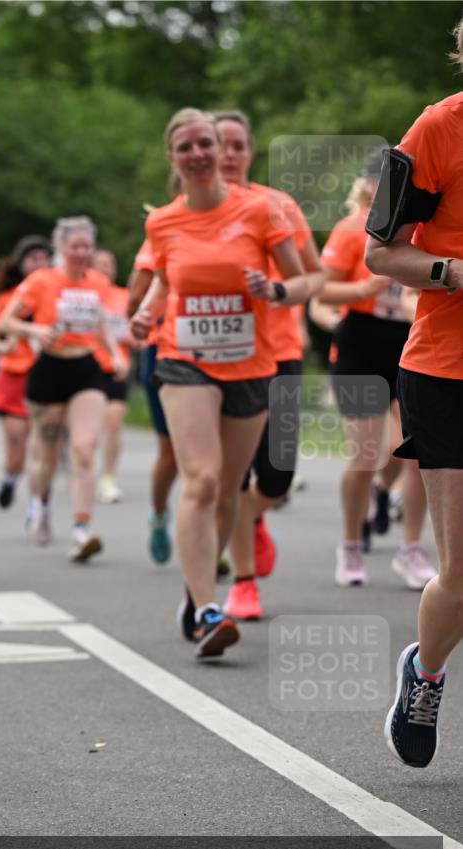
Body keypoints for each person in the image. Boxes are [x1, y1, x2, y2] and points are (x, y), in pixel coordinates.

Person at [131, 108, 310, 659]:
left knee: (230, 490)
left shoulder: (260, 210)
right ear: (173, 159)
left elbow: (306, 279)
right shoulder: (161, 222)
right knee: (203, 481)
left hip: (253, 364)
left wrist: (275, 292)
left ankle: (196, 587)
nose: (200, 154)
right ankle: (212, 610)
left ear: (224, 149)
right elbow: (162, 280)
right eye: (186, 147)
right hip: (184, 359)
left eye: (206, 143)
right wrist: (144, 314)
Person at [365, 19, 463, 768]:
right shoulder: (436, 129)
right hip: (445, 369)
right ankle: (424, 673)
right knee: (461, 575)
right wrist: (454, 274)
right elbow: (380, 252)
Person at [213, 109, 325, 620]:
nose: (229, 153)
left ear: (250, 151)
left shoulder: (278, 205)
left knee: (277, 475)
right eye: (219, 144)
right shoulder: (188, 213)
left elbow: (316, 276)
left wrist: (279, 292)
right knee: (231, 476)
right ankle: (243, 583)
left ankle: (251, 518)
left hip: (277, 353)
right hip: (217, 361)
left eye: (238, 144)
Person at [318, 149, 436, 590]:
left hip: (409, 340)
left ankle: (410, 549)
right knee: (368, 453)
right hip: (360, 343)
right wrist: (363, 287)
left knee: (420, 451)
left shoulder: (423, 227)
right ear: (368, 185)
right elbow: (321, 291)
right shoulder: (352, 230)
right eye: (380, 182)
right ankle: (350, 543)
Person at [0, 216, 128, 562]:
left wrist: (116, 355)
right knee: (46, 458)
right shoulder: (42, 281)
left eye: (87, 246)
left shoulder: (98, 283)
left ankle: (81, 530)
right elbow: (6, 321)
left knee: (84, 449)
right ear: (61, 248)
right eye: (75, 246)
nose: (82, 252)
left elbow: (101, 327)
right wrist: (34, 333)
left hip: (86, 368)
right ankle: (40, 504)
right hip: (48, 370)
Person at [0, 235, 52, 512]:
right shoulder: (5, 299)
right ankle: (10, 478)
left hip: (49, 377)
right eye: (32, 258)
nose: (38, 264)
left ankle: (36, 507)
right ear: (21, 263)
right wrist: (4, 345)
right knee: (17, 453)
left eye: (43, 258)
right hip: (14, 378)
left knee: (42, 448)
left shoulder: (59, 293)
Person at [129, 237, 177, 563]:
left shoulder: (239, 222)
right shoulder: (164, 231)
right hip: (166, 352)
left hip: (223, 354)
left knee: (215, 454)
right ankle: (158, 515)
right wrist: (144, 316)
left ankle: (213, 534)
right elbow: (135, 298)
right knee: (170, 450)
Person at [92, 248, 133, 504]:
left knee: (114, 422)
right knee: (88, 425)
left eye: (110, 262)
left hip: (118, 366)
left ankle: (107, 477)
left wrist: (131, 338)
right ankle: (80, 465)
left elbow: (138, 331)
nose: (106, 267)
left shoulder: (125, 296)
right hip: (89, 365)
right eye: (101, 263)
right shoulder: (87, 295)